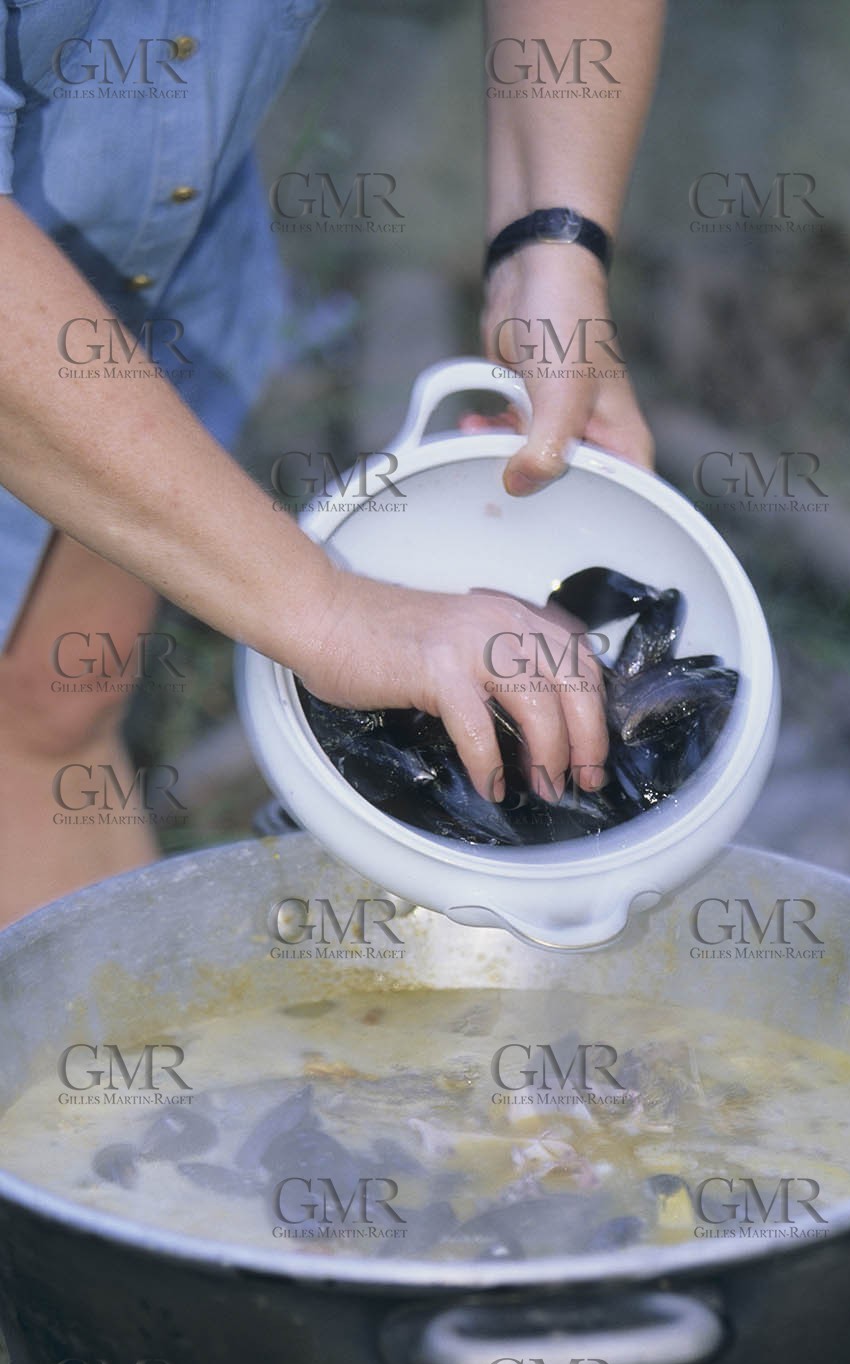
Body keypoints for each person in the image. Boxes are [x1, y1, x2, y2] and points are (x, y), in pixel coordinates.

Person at [0, 0, 664, 926]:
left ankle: (111, 1065)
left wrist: (550, 245)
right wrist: (331, 611)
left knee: (48, 704)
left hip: (149, 253)